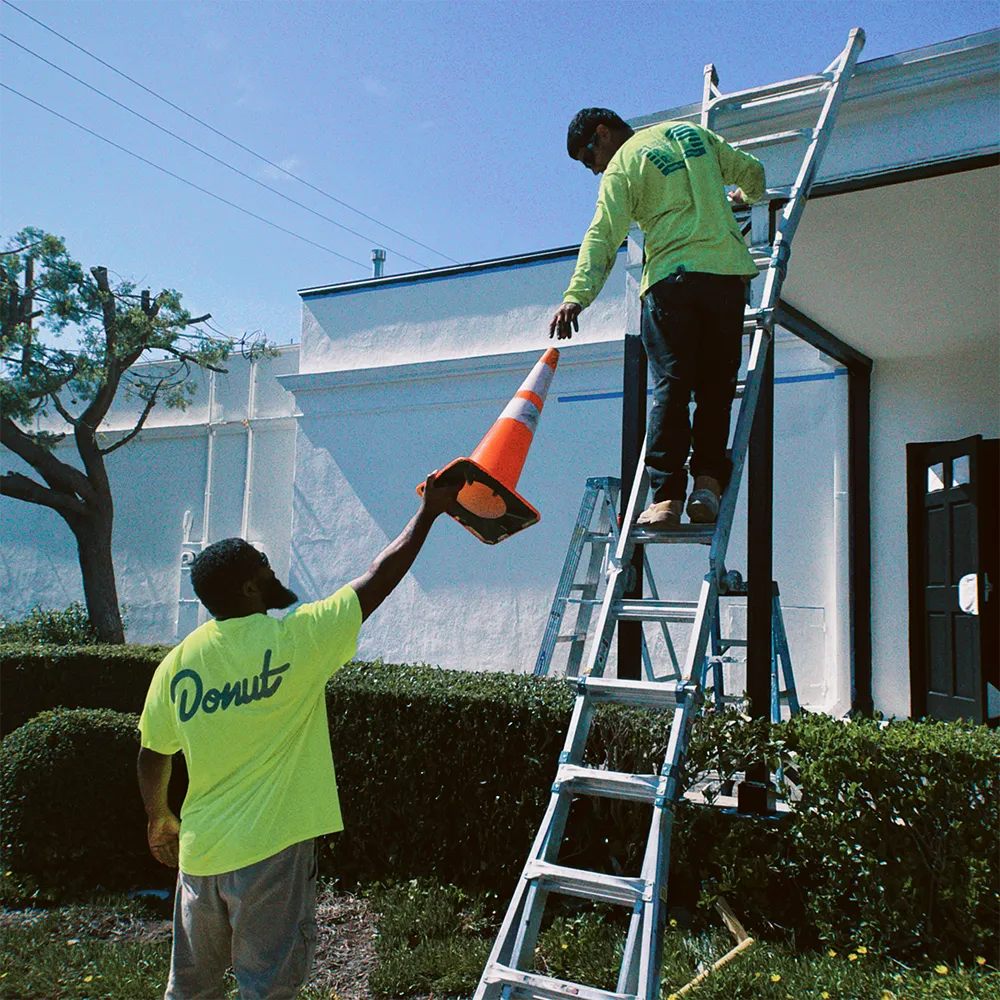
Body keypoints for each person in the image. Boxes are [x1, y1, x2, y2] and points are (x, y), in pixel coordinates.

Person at [137, 471, 461, 1000]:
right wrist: (428, 513)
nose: (272, 572)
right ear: (248, 587)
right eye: (263, 567)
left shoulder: (177, 665)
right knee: (267, 988)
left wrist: (160, 818)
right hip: (272, 853)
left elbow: (154, 755)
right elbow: (377, 579)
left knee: (191, 989)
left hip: (200, 854)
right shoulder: (297, 640)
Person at [548, 108, 765, 529]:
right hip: (725, 280)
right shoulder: (693, 134)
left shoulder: (624, 164)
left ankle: (666, 498)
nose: (594, 170)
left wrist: (577, 296)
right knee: (717, 388)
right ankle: (706, 487)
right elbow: (752, 172)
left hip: (673, 283)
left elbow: (603, 235)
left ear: (603, 134)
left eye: (588, 160)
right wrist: (744, 198)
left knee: (673, 386)